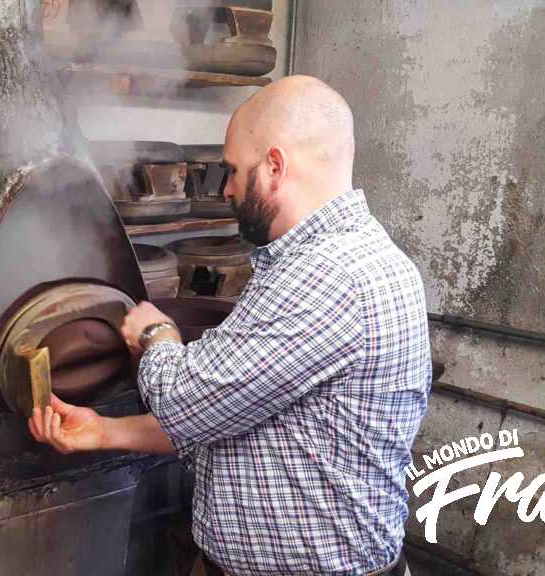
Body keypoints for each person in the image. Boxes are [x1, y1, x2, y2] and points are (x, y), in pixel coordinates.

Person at [29, 75, 431, 576]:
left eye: (235, 171)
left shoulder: (328, 275)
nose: (227, 189)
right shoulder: (352, 258)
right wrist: (104, 431)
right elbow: (231, 415)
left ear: (276, 167)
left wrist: (156, 336)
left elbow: (182, 398)